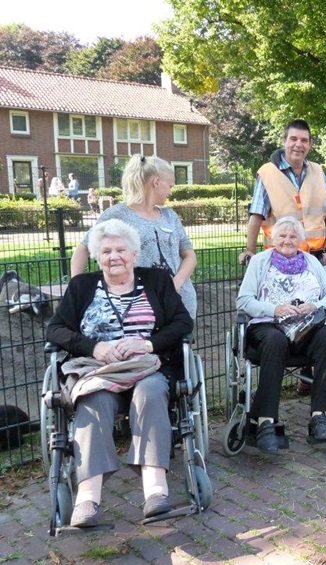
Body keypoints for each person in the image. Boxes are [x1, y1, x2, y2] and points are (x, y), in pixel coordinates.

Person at [45, 219, 193, 526]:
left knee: (151, 391)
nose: (114, 257)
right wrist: (93, 347)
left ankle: (155, 489)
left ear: (135, 253)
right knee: (92, 398)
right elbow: (55, 329)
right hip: (98, 369)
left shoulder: (157, 281)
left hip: (147, 367)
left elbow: (182, 323)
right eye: (106, 250)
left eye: (121, 250)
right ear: (98, 256)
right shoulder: (81, 286)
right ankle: (87, 496)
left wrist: (148, 345)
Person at [236, 216, 326, 452]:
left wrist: (315, 306)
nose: (287, 240)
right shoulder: (260, 262)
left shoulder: (312, 263)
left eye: (293, 236)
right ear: (274, 239)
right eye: (282, 236)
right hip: (268, 324)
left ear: (301, 240)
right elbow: (244, 300)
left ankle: (320, 418)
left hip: (306, 328)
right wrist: (275, 309)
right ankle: (265, 423)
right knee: (275, 341)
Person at [70, 155, 198, 320]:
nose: (171, 192)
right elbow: (83, 249)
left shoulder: (170, 216)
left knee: (181, 345)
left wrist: (176, 283)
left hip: (181, 303)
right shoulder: (117, 215)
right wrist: (76, 291)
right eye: (170, 186)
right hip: (140, 308)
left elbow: (190, 255)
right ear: (156, 182)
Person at [238, 119, 326, 273]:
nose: (298, 145)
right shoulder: (267, 173)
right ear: (284, 141)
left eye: (304, 140)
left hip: (316, 260)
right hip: (280, 260)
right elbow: (256, 216)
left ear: (310, 144)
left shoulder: (318, 171)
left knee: (321, 297)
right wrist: (250, 251)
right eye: (293, 139)